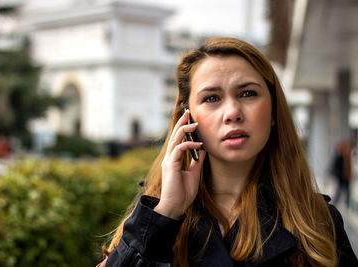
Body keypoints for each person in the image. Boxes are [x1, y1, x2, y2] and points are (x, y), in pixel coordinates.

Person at [97, 37, 358, 266]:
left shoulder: (316, 220)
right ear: (186, 118)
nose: (232, 113)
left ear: (274, 112)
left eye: (247, 93)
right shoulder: (154, 211)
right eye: (211, 98)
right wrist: (167, 212)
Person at [331, 139, 353, 208]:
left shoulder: (346, 157)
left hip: (345, 177)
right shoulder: (339, 156)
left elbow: (348, 168)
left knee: (345, 191)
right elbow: (336, 167)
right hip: (341, 177)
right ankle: (336, 202)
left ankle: (346, 203)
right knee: (339, 190)